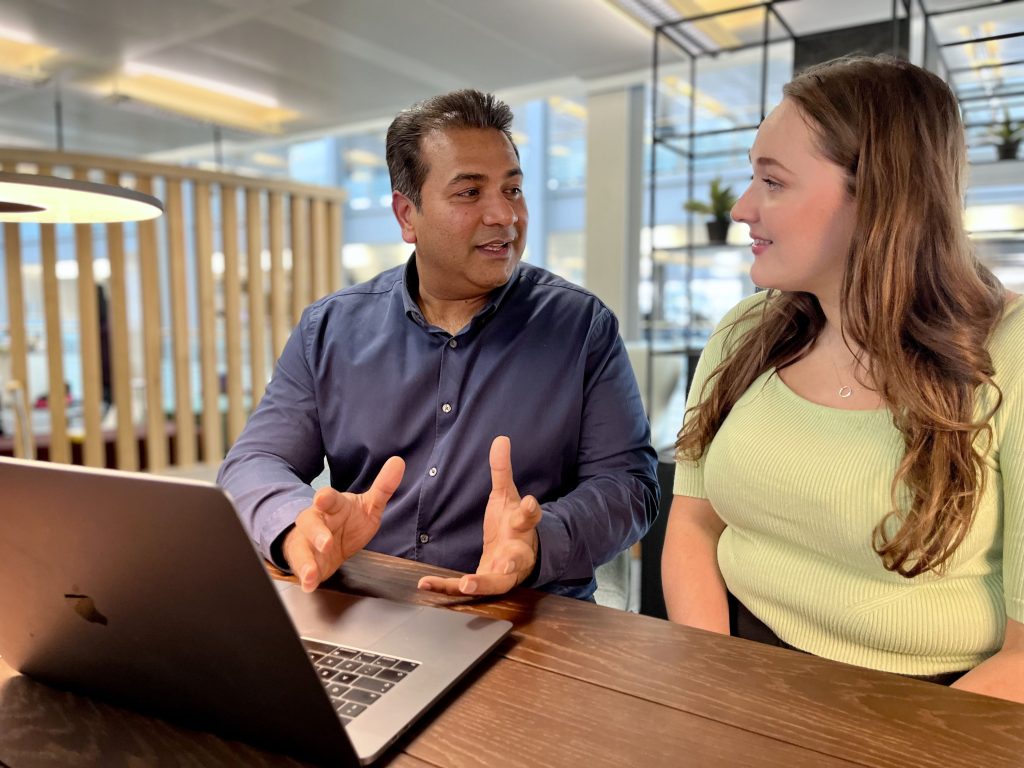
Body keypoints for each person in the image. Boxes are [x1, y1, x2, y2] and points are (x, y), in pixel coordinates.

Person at [662, 55, 1023, 703]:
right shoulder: (745, 331)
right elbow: (692, 524)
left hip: (939, 705)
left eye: (772, 182)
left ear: (881, 195)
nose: (743, 208)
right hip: (732, 658)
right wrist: (709, 684)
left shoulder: (1012, 353)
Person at [219, 89, 658, 602]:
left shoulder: (582, 327)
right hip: (370, 603)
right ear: (407, 215)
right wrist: (300, 527)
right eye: (470, 193)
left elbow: (630, 486)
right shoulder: (330, 329)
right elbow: (253, 461)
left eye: (512, 190)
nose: (504, 215)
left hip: (525, 614)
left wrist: (538, 540)